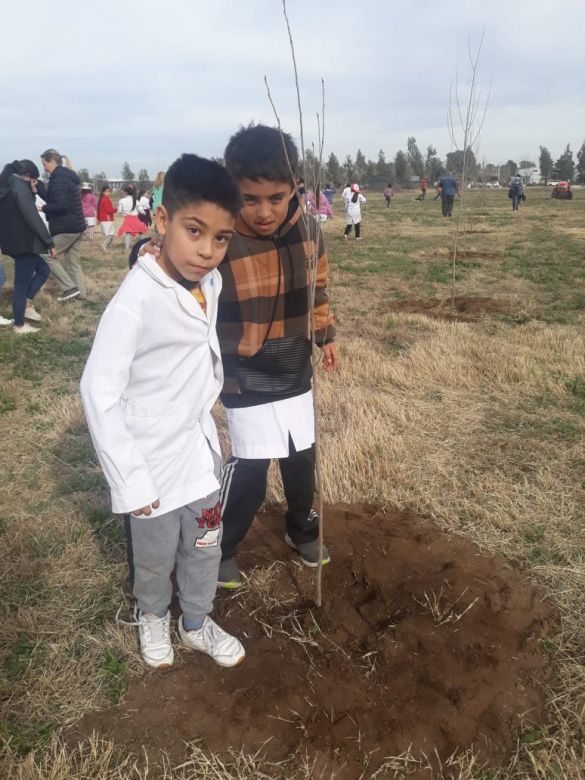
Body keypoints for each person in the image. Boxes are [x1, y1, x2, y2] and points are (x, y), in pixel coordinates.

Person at [80, 153, 245, 670]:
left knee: (204, 547)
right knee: (153, 557)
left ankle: (195, 622)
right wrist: (128, 479)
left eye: (220, 238)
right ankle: (152, 615)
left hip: (198, 454)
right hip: (148, 460)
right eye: (194, 231)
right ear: (161, 221)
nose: (207, 250)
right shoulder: (135, 300)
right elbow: (98, 391)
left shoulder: (209, 284)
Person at [216, 123, 338, 589]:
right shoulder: (222, 237)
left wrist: (326, 336)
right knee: (249, 463)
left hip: (293, 367)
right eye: (250, 199)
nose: (264, 211)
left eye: (276, 197)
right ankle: (223, 545)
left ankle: (303, 530)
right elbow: (176, 264)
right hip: (243, 373)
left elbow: (317, 289)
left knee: (300, 455)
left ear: (295, 190)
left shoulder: (308, 231)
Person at [0, 159, 55, 333]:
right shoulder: (19, 188)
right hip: (25, 242)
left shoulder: (7, 187)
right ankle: (19, 324)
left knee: (44, 270)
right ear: (28, 176)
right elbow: (32, 216)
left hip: (13, 241)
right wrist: (49, 242)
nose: (35, 186)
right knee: (21, 284)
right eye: (34, 182)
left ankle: (25, 303)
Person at [38, 149, 87, 301]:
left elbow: (61, 205)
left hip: (67, 227)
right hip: (77, 226)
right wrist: (38, 188)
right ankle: (81, 294)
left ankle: (69, 288)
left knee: (47, 255)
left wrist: (42, 208)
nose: (44, 168)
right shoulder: (65, 176)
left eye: (44, 164)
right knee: (73, 263)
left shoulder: (58, 178)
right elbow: (54, 197)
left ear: (52, 162)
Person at [117, 184, 147, 250]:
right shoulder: (136, 201)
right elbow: (141, 211)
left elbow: (119, 211)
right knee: (141, 230)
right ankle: (143, 246)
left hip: (127, 219)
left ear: (126, 192)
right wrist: (144, 213)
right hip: (135, 219)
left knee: (128, 233)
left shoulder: (121, 201)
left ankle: (126, 248)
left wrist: (124, 214)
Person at [97, 185, 116, 250]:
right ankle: (104, 245)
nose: (108, 193)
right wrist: (116, 209)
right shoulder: (106, 200)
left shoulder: (102, 199)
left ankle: (107, 246)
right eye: (107, 191)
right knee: (110, 234)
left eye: (109, 191)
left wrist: (98, 219)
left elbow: (99, 210)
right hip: (107, 219)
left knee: (110, 234)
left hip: (104, 219)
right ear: (103, 192)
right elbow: (109, 210)